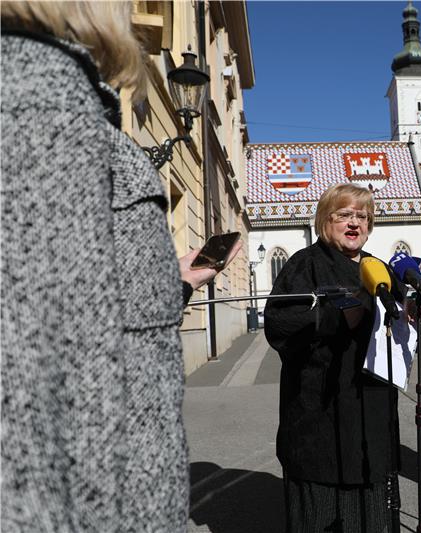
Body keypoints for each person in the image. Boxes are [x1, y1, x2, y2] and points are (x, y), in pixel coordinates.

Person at [1, 2, 239, 531]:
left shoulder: (66, 109)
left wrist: (171, 284)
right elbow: (29, 426)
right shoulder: (40, 115)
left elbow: (90, 330)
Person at [264, 183, 405, 533]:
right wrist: (334, 318)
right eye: (344, 215)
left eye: (363, 216)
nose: (355, 223)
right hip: (318, 418)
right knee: (320, 516)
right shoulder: (304, 264)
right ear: (325, 221)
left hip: (371, 414)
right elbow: (278, 324)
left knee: (373, 517)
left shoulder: (380, 269)